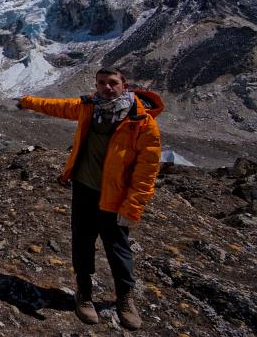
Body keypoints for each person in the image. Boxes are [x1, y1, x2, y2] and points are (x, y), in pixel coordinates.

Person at [16, 67, 162, 330]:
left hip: (115, 194)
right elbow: (58, 107)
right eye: (101, 83)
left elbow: (147, 169)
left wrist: (134, 206)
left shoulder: (142, 120)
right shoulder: (89, 107)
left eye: (112, 83)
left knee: (118, 246)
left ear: (124, 85)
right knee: (82, 240)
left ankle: (125, 299)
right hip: (84, 187)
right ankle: (84, 294)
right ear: (96, 85)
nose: (107, 87)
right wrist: (27, 102)